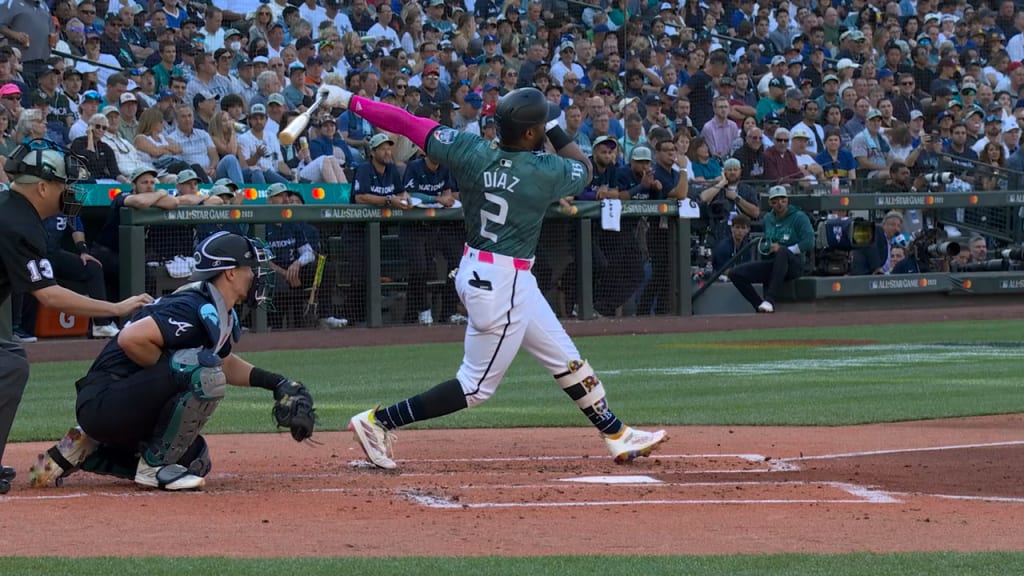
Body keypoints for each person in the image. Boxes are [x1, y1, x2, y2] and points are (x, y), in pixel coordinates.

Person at [316, 84, 668, 469]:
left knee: (565, 358)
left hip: (492, 270)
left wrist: (350, 100)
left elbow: (405, 122)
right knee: (475, 387)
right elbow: (582, 166)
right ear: (531, 132)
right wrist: (553, 126)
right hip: (501, 283)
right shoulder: (544, 170)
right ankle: (378, 422)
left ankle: (616, 432)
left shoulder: (470, 149)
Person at [28, 232, 316, 491]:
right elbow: (131, 339)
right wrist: (176, 371)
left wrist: (276, 382)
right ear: (229, 273)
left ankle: (82, 448)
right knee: (202, 374)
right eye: (250, 269)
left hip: (119, 407)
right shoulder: (190, 305)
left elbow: (224, 363)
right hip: (104, 401)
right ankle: (153, 468)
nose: (256, 275)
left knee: (196, 461)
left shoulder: (218, 310)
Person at [0, 139, 152, 494]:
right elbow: (49, 295)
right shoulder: (20, 223)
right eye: (62, 186)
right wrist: (114, 308)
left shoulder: (10, 208)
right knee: (10, 364)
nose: (69, 192)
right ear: (41, 187)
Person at [727, 186, 813, 313]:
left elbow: (809, 242)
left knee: (782, 252)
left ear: (787, 200)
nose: (779, 204)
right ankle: (759, 305)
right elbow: (767, 241)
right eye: (775, 201)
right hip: (774, 263)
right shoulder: (768, 218)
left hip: (794, 263)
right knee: (735, 273)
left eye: (783, 200)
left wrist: (786, 249)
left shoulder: (799, 217)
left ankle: (770, 299)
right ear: (770, 203)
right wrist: (767, 247)